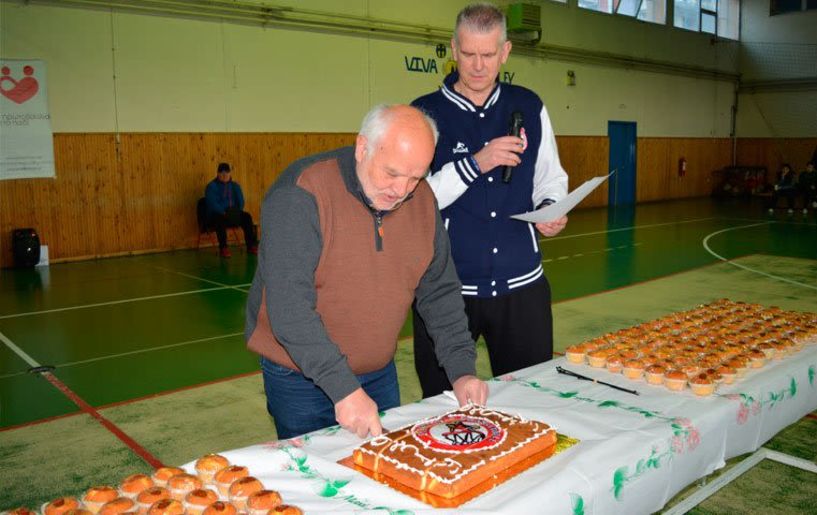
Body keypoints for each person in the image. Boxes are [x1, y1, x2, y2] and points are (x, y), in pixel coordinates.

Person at [245, 105, 488, 440]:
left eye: (416, 177)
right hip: (301, 377)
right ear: (362, 148)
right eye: (391, 173)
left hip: (378, 373)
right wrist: (343, 389)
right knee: (314, 480)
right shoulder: (301, 193)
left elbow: (440, 292)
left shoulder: (422, 200)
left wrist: (461, 371)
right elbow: (289, 309)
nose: (401, 191)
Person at [410, 2, 569, 399]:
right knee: (443, 407)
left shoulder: (529, 106)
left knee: (529, 403)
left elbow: (552, 176)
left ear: (505, 51)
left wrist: (552, 208)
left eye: (488, 54)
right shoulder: (423, 113)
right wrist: (477, 163)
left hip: (523, 289)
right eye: (468, 54)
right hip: (447, 292)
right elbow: (415, 200)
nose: (478, 65)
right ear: (452, 49)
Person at [204, 162, 258, 258]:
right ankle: (223, 248)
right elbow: (212, 203)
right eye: (222, 173)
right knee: (218, 219)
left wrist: (236, 211)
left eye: (226, 172)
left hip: (233, 213)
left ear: (230, 173)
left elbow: (241, 200)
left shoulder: (235, 186)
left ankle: (251, 246)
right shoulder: (211, 187)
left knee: (247, 217)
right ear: (218, 174)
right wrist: (223, 212)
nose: (224, 175)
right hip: (219, 214)